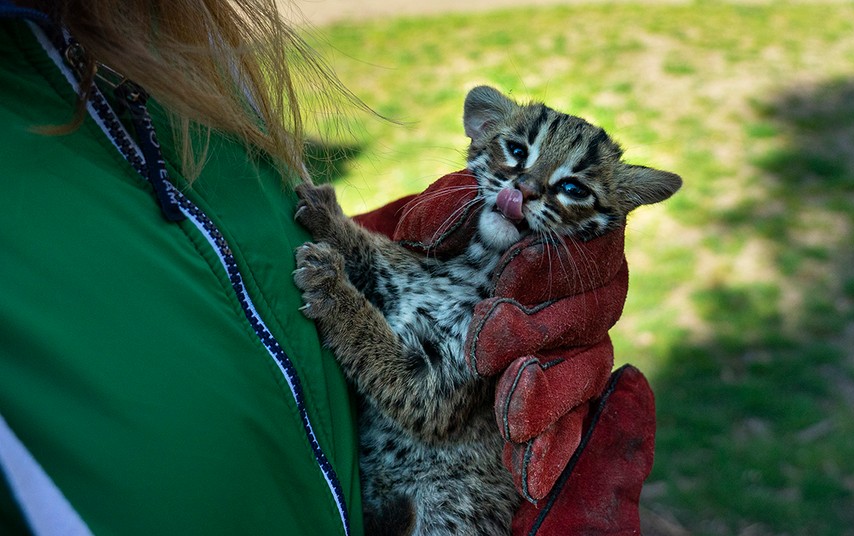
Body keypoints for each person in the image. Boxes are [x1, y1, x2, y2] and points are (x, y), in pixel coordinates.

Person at [0, 1, 655, 534]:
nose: (528, 191)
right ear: (480, 135)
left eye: (565, 188)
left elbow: (416, 377)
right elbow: (421, 401)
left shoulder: (170, 45)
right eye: (514, 156)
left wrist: (343, 244)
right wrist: (344, 283)